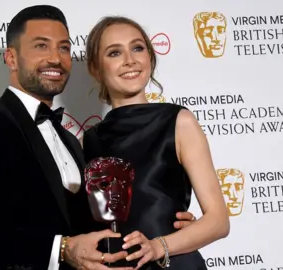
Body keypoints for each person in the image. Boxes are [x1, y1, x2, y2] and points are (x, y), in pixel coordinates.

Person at [0, 5, 196, 270]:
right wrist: (60, 249)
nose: (55, 58)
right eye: (41, 46)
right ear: (11, 58)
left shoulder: (74, 142)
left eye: (63, 48)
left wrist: (172, 229)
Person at [82, 16, 231, 269]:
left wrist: (158, 246)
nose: (130, 60)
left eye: (138, 48)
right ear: (96, 68)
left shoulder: (178, 121)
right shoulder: (91, 139)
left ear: (150, 57)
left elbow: (218, 221)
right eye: (115, 52)